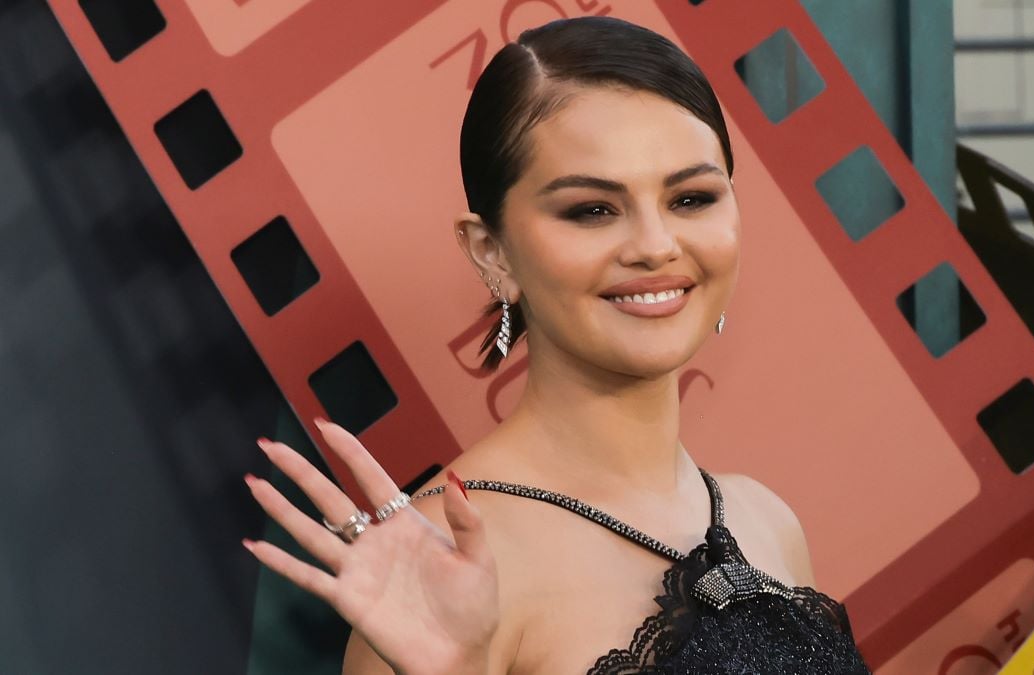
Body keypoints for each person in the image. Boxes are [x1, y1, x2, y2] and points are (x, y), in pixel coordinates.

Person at [242, 15, 872, 675]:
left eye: (691, 198)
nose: (657, 245)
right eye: (593, 209)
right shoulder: (446, 564)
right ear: (493, 253)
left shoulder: (767, 521)